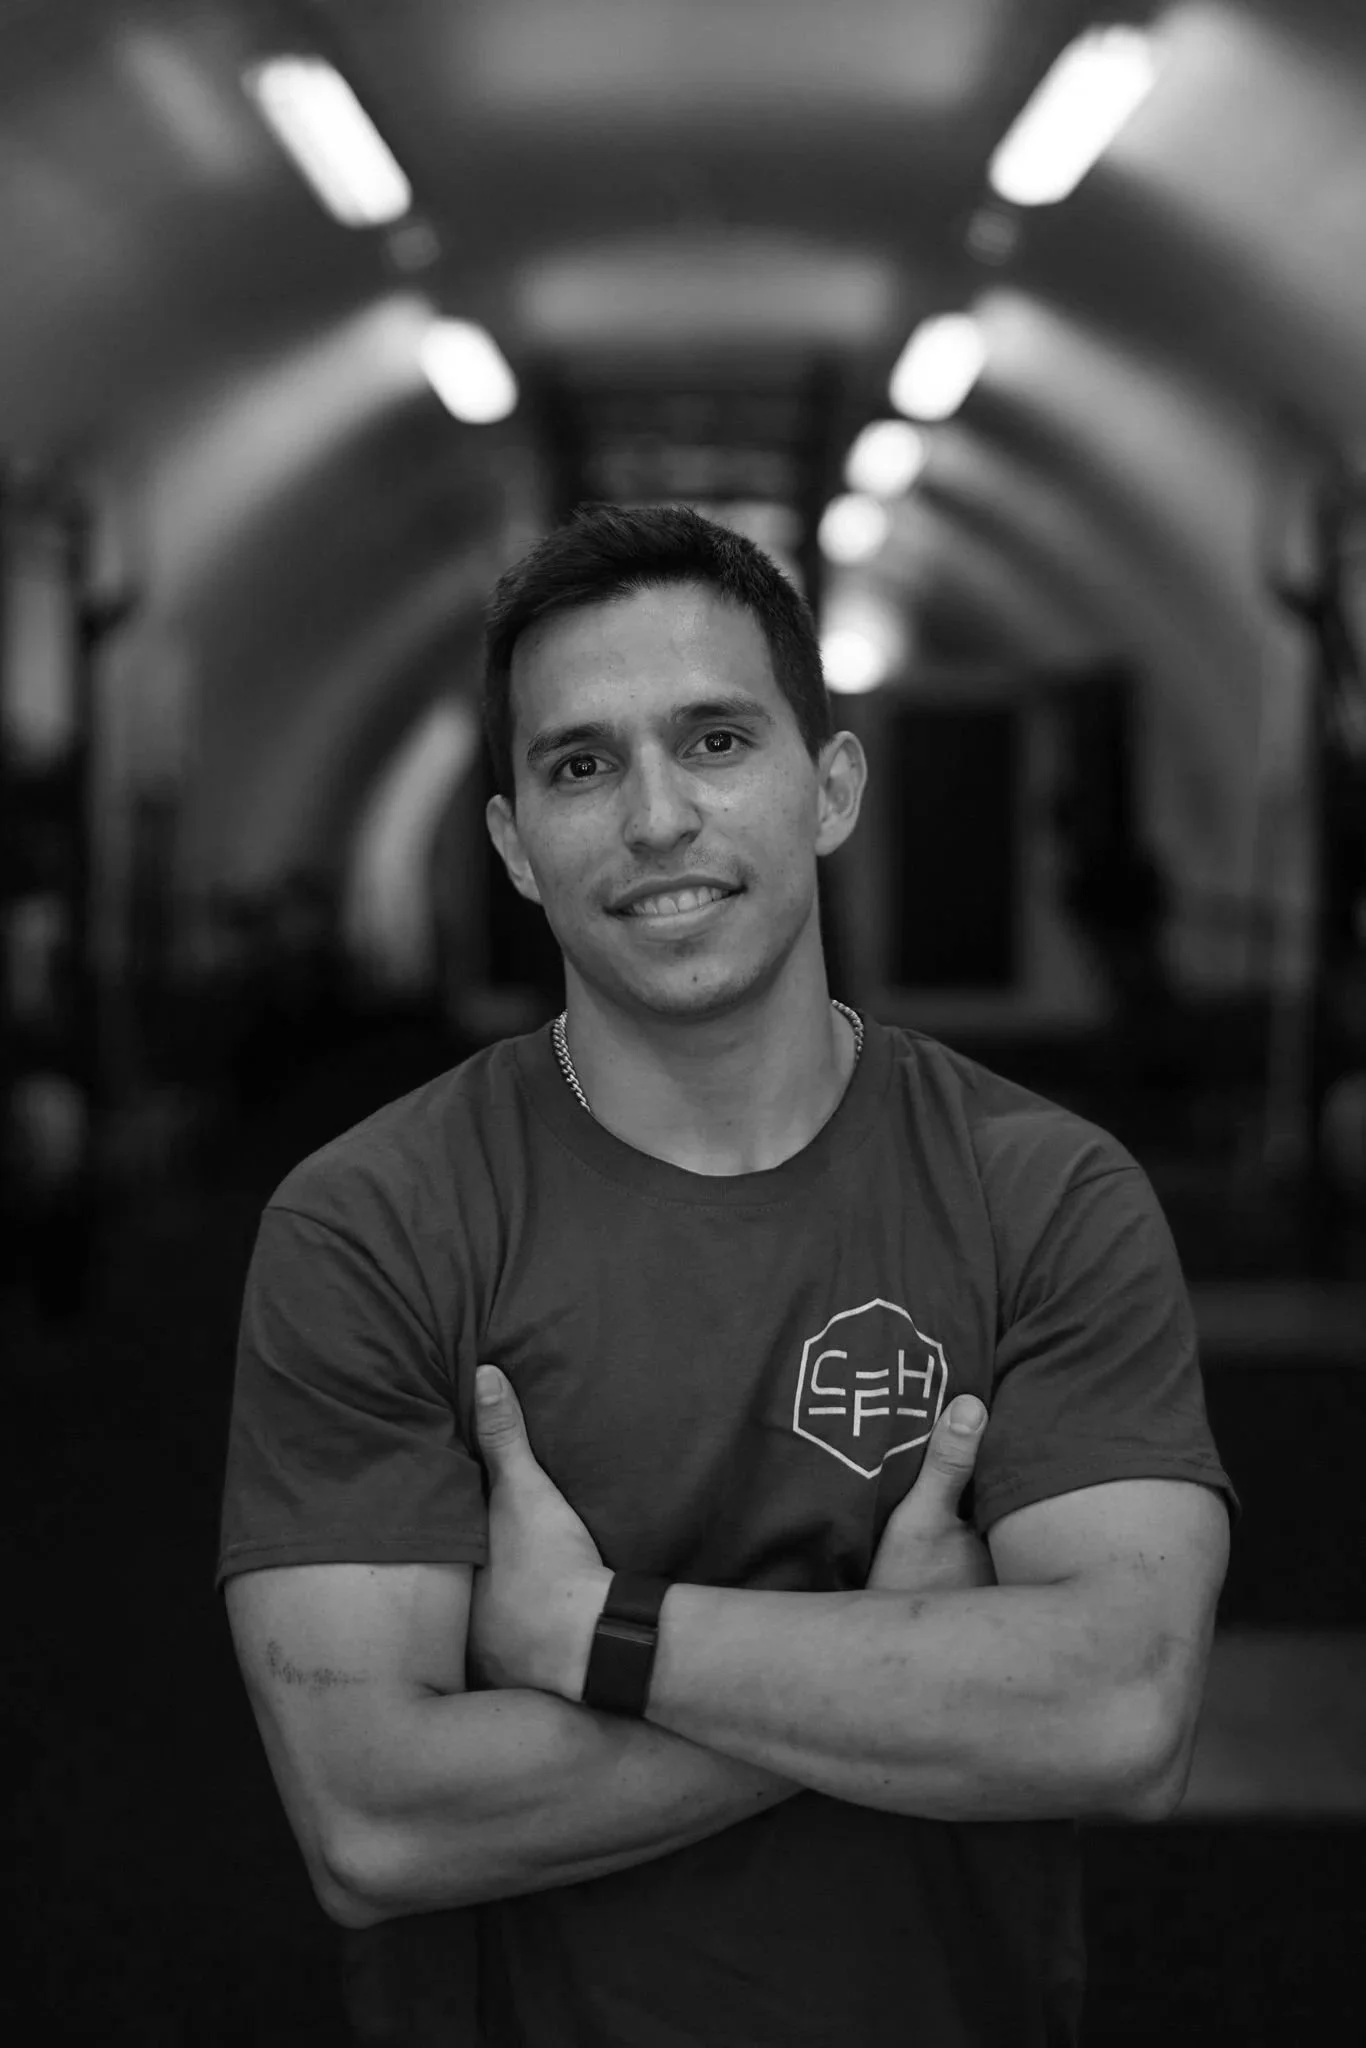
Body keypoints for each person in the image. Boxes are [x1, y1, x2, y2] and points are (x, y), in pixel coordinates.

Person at [216, 503, 1239, 2047]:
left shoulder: (1042, 1194)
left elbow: (1116, 1714)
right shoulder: (371, 1223)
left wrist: (593, 1636)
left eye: (713, 741)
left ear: (829, 788)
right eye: (580, 765)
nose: (655, 818)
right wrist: (902, 1667)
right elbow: (375, 1819)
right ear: (512, 843)